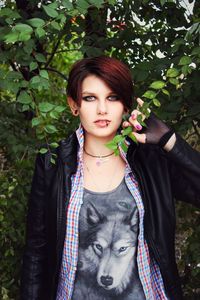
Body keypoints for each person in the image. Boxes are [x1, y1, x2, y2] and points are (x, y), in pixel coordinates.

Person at [20, 56, 200, 300]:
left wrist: (170, 142)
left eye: (112, 97)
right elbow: (36, 251)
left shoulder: (149, 160)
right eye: (90, 98)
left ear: (125, 106)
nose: (102, 109)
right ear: (74, 105)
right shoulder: (54, 163)